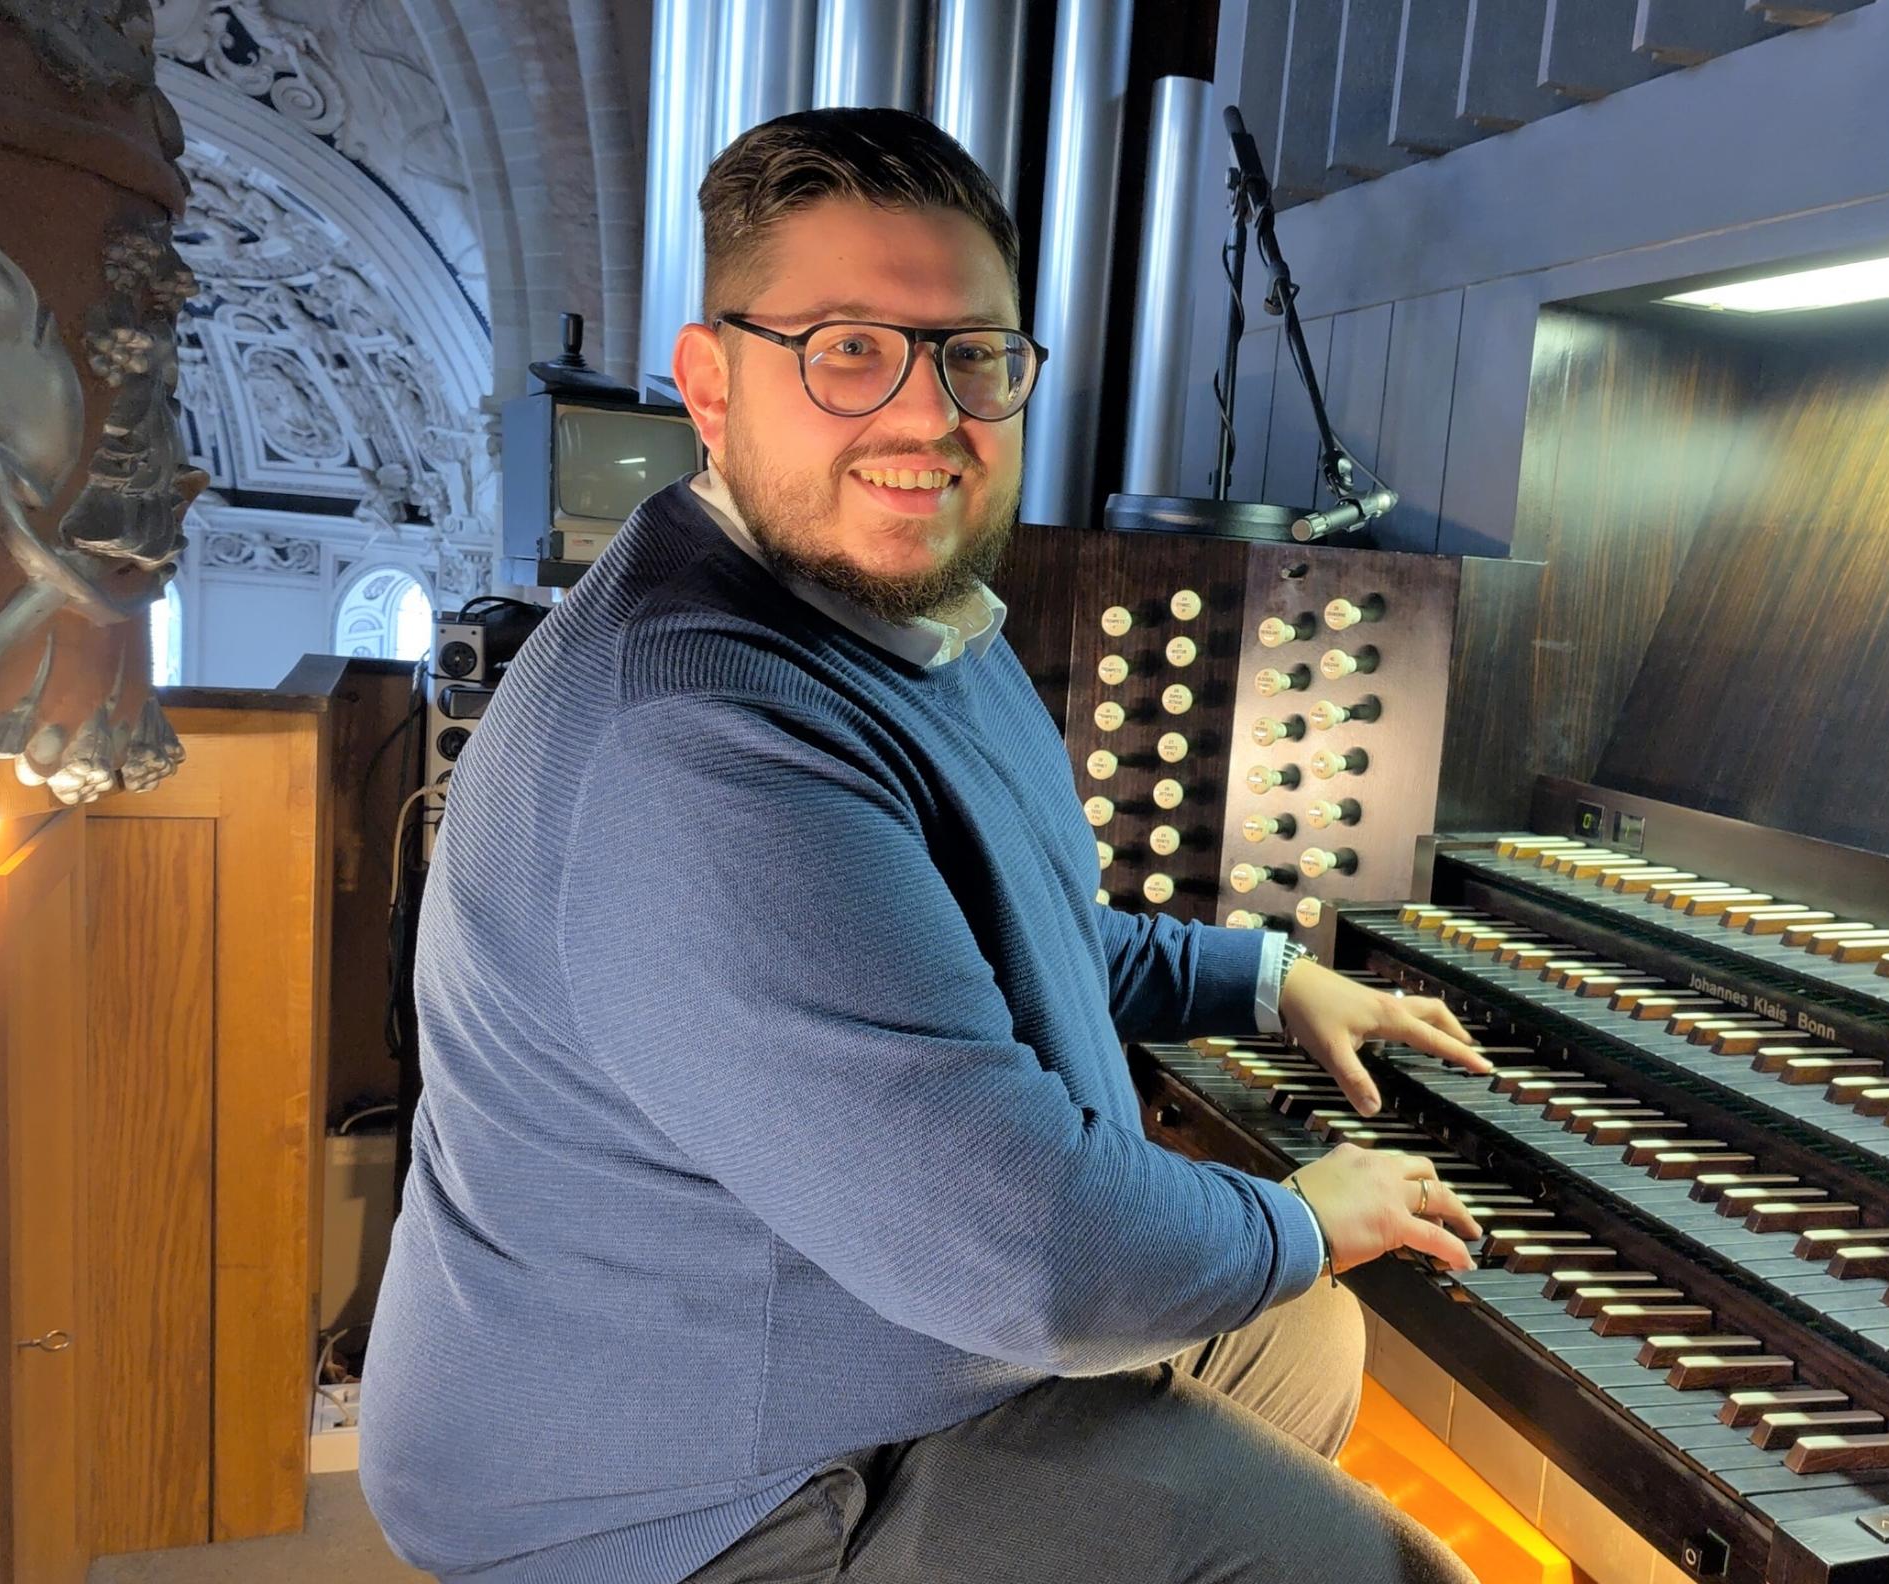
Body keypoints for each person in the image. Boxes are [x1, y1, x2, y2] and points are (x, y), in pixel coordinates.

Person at [363, 107, 1492, 1584]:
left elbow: (1002, 935)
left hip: (882, 1322)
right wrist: (1293, 1214)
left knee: (1301, 1345)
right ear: (710, 385)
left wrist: (1270, 977)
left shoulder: (889, 614)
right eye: (845, 346)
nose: (923, 415)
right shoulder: (699, 738)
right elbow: (1029, 1254)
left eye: (973, 356)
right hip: (692, 1485)